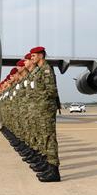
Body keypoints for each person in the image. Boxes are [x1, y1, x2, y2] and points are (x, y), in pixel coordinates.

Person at [30, 46, 61, 182]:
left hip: (46, 109)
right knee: (43, 137)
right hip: (40, 109)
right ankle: (48, 166)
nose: (32, 58)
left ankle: (54, 171)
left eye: (34, 56)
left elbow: (52, 91)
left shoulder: (47, 69)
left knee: (49, 137)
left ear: (41, 56)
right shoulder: (39, 70)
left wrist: (38, 97)